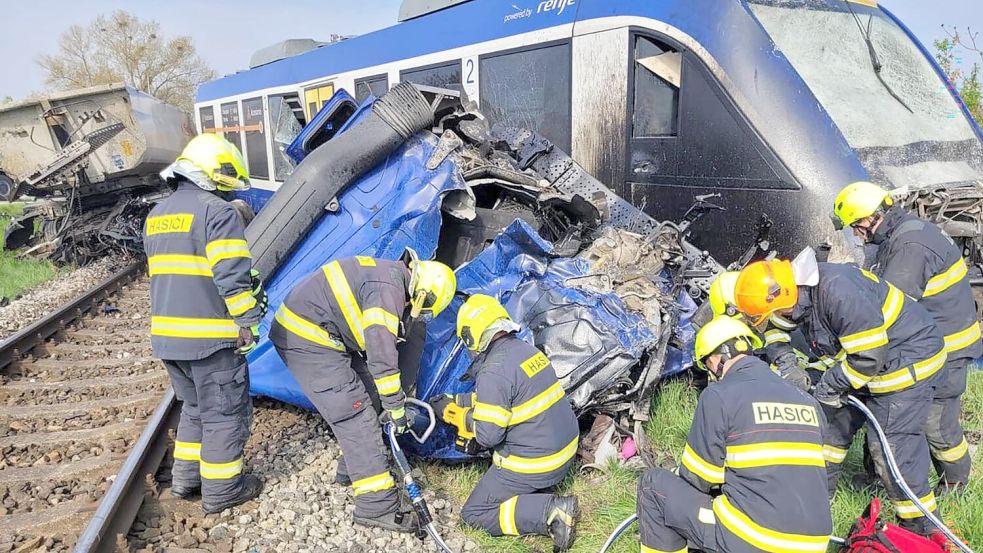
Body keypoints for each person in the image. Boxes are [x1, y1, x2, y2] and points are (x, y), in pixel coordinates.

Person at [733, 250, 946, 536]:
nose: (774, 317)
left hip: (906, 362)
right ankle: (816, 502)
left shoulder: (837, 291)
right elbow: (775, 331)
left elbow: (869, 357)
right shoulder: (795, 294)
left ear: (783, 295)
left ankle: (923, 530)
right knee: (828, 434)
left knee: (892, 451)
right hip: (862, 364)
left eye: (773, 311)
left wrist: (827, 387)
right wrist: (787, 363)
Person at [269, 250, 455, 532]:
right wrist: (395, 407)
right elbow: (381, 356)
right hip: (307, 338)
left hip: (321, 333)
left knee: (368, 395)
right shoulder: (387, 292)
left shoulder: (392, 277)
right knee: (356, 414)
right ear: (422, 295)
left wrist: (390, 400)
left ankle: (357, 467)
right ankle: (376, 506)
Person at [143, 134, 266, 513]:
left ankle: (186, 479)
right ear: (214, 173)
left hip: (168, 339)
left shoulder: (156, 216)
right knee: (224, 415)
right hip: (210, 340)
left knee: (194, 409)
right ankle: (223, 489)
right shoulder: (217, 212)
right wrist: (248, 321)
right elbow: (231, 275)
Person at [636, 316, 832, 553]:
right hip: (815, 543)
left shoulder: (719, 394)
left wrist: (679, 474)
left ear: (716, 358)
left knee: (653, 486)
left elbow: (698, 477)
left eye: (707, 365)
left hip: (756, 540)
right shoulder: (807, 401)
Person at [833, 181, 980, 494]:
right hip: (918, 341)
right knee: (884, 406)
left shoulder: (909, 248)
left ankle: (955, 485)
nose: (857, 234)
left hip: (946, 349)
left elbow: (889, 307)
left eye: (857, 226)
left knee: (936, 423)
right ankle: (877, 480)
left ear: (874, 216)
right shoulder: (895, 235)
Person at [430, 294, 579, 551]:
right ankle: (539, 496)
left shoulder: (493, 371)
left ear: (470, 336)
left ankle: (551, 512)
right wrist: (455, 400)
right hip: (565, 450)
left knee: (474, 515)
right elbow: (502, 397)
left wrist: (454, 414)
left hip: (537, 464)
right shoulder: (526, 351)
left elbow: (488, 436)